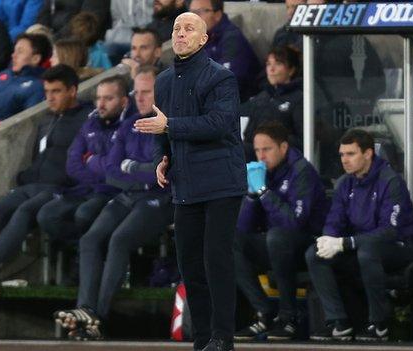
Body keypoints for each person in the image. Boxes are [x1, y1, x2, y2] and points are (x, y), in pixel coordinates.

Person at [134, 12, 246, 351]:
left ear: (203, 39)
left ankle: (223, 337)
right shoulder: (164, 81)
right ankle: (202, 341)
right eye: (176, 29)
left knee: (216, 260)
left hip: (221, 183)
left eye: (189, 29)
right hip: (186, 186)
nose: (181, 34)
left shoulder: (221, 78)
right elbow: (161, 130)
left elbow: (219, 124)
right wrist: (161, 159)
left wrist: (169, 128)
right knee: (191, 265)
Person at [53, 66, 174, 341]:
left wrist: (132, 169)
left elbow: (160, 173)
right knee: (90, 239)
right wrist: (137, 172)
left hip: (159, 199)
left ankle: (99, 315)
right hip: (128, 195)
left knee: (119, 239)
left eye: (147, 92)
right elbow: (111, 168)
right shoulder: (129, 124)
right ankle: (84, 308)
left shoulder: (168, 126)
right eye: (137, 92)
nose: (140, 98)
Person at [0, 64, 91, 296]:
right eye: (47, 92)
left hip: (61, 189)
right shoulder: (46, 120)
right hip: (31, 185)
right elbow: (39, 156)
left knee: (25, 211)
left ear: (73, 91)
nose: (50, 98)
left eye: (56, 92)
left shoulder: (86, 119)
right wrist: (24, 176)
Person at [305, 129, 413, 342]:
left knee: (367, 252)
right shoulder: (345, 183)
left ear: (368, 153)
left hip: (401, 246)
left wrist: (345, 242)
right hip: (362, 246)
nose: (345, 160)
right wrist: (328, 240)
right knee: (314, 254)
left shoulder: (390, 181)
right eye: (342, 155)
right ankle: (338, 321)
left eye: (351, 154)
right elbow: (335, 220)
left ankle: (379, 323)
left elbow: (390, 231)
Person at [234, 121, 327, 341]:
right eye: (257, 150)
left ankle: (289, 317)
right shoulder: (264, 171)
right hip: (275, 243)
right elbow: (244, 227)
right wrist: (250, 195)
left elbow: (294, 222)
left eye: (266, 149)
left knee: (277, 238)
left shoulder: (302, 171)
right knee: (232, 240)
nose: (261, 156)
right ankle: (264, 313)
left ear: (283, 148)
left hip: (308, 243)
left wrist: (264, 192)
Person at [37, 76, 129, 244]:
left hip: (112, 192)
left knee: (84, 214)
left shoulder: (129, 127)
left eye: (108, 98)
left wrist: (92, 162)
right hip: (83, 188)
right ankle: (82, 249)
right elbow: (72, 164)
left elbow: (117, 168)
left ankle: (90, 252)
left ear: (123, 102)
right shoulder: (89, 124)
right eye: (98, 98)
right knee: (47, 215)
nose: (101, 104)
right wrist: (96, 172)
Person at [188, 0, 261, 101]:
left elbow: (229, 79)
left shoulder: (232, 39)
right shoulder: (198, 37)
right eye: (191, 13)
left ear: (217, 15)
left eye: (199, 12)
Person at [240, 46, 303, 161]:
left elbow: (303, 140)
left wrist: (272, 139)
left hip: (287, 162)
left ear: (291, 69)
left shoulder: (300, 98)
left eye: (278, 64)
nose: (271, 69)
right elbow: (247, 135)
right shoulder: (261, 97)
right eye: (268, 64)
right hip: (256, 160)